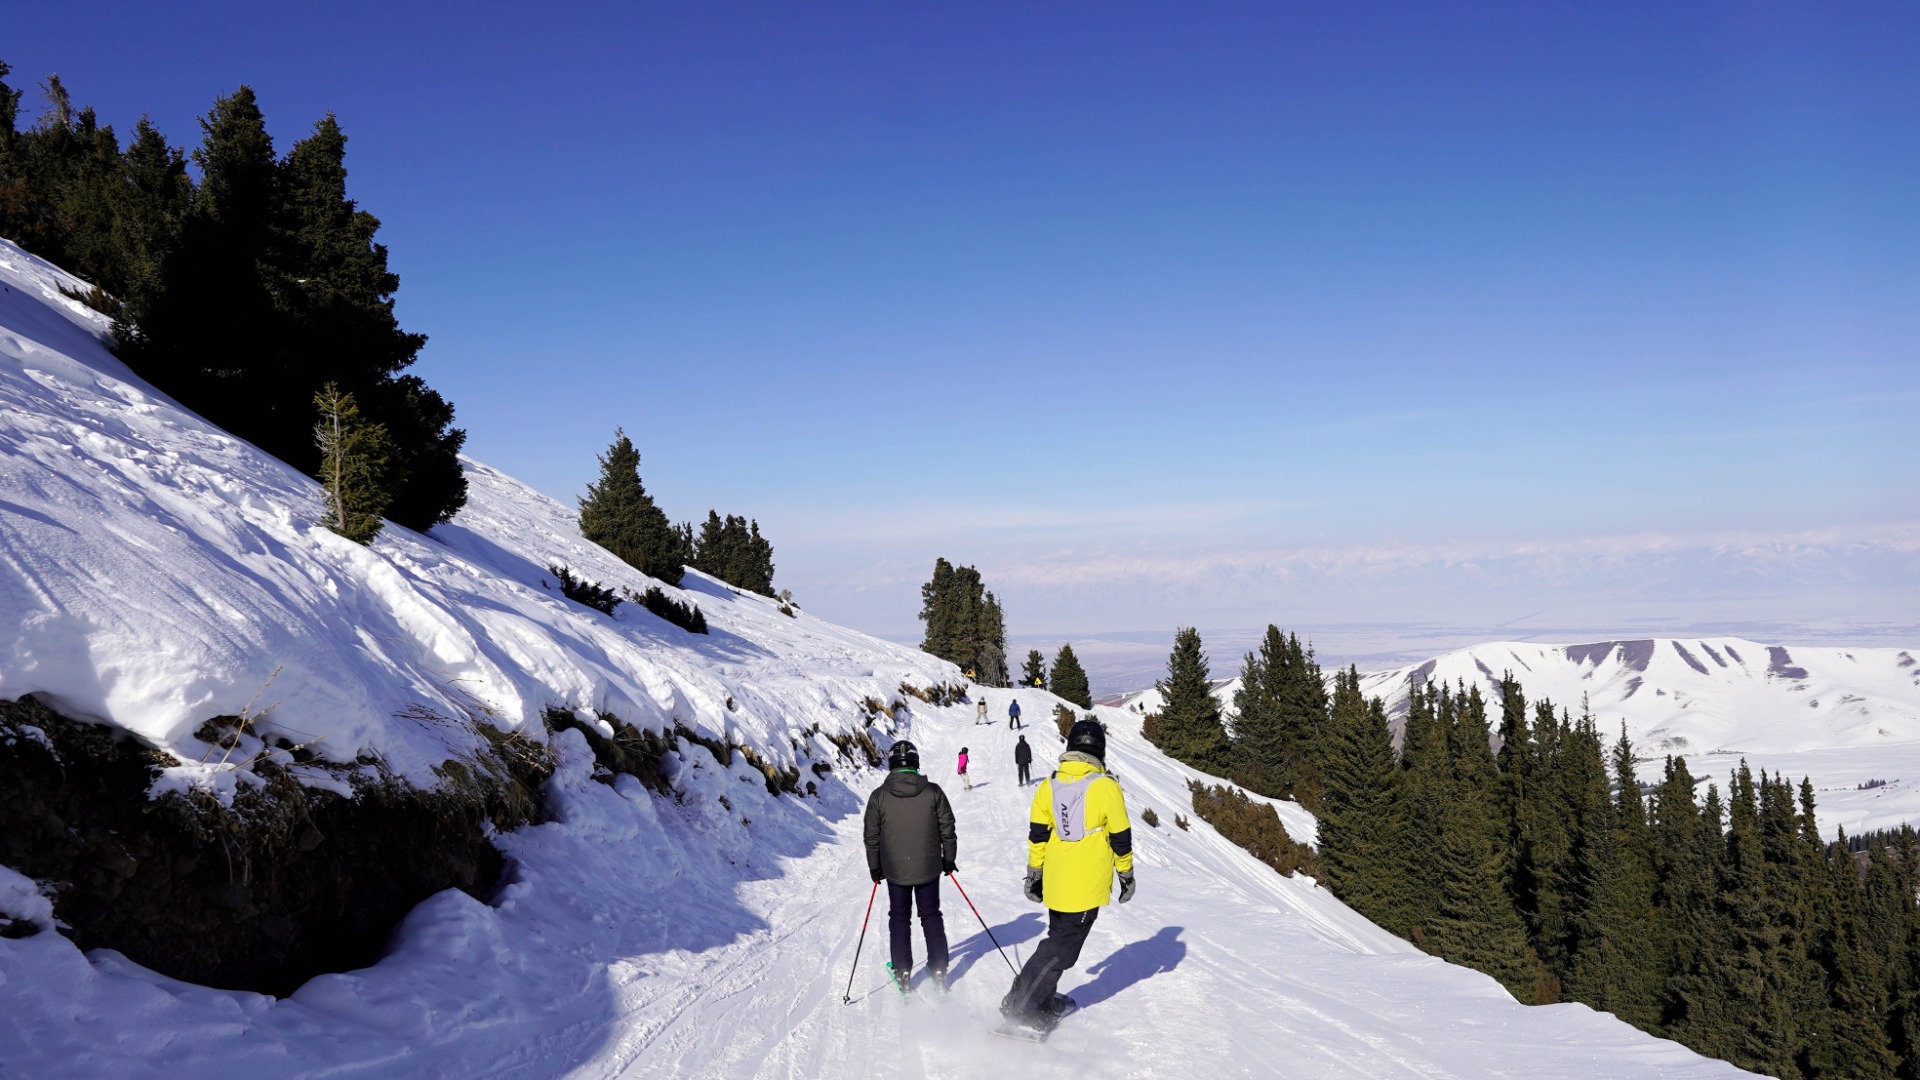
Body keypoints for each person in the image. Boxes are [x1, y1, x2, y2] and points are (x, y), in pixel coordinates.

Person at [1001, 719, 1135, 1033]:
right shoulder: (1105, 786)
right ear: (1099, 749)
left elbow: (1038, 836)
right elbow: (1121, 837)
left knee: (1057, 942)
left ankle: (1038, 997)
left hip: (1057, 882)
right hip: (1085, 887)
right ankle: (1022, 1006)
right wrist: (1126, 875)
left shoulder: (1049, 785)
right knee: (1061, 950)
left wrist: (1034, 874)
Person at [864, 740, 958, 993]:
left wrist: (875, 867)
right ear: (915, 763)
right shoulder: (933, 792)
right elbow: (947, 828)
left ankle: (903, 971)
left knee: (899, 917)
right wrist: (949, 859)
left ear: (891, 764)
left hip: (895, 870)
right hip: (928, 867)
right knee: (931, 915)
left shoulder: (879, 796)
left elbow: (872, 836)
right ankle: (938, 969)